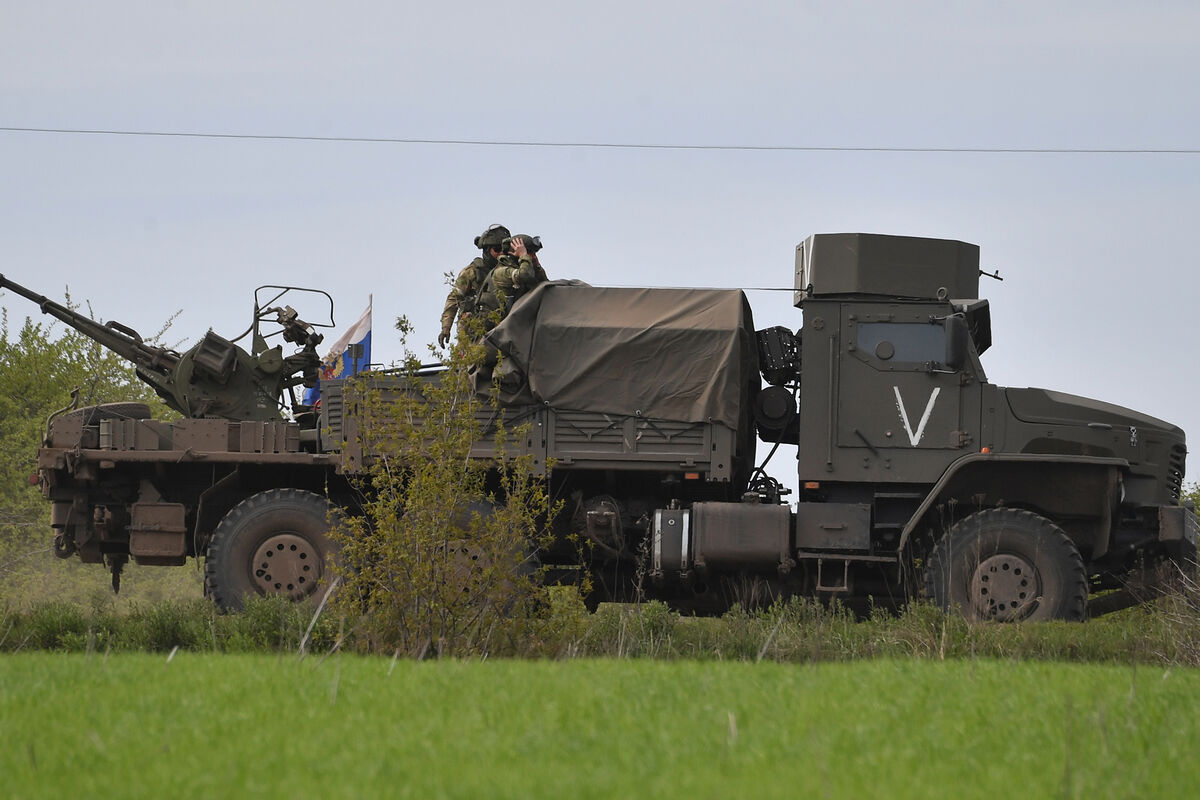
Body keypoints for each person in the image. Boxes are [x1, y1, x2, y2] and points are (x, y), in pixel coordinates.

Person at [438, 223, 510, 348]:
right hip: (473, 330)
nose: (501, 254)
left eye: (504, 249)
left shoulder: (509, 271)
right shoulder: (472, 272)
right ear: (487, 251)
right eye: (497, 249)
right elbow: (454, 299)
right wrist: (446, 328)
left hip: (501, 327)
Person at [480, 234, 548, 326]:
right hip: (495, 330)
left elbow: (546, 286)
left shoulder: (527, 268)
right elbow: (525, 275)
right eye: (530, 253)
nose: (532, 257)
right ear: (516, 255)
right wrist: (523, 255)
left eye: (534, 254)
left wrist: (537, 266)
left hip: (514, 326)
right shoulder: (502, 272)